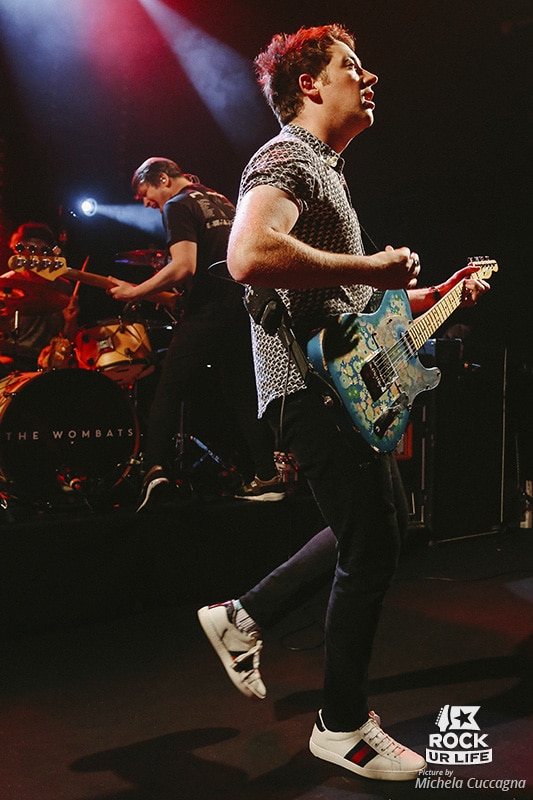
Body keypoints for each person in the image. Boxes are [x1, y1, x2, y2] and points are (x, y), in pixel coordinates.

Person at [197, 24, 490, 782]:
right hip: (309, 387)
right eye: (351, 66)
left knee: (379, 530)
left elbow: (350, 303)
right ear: (309, 85)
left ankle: (245, 616)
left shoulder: (325, 171)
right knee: (372, 543)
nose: (370, 77)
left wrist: (431, 295)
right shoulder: (287, 156)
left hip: (338, 384)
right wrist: (368, 265)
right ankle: (341, 725)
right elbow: (247, 256)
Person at [107, 158, 284, 509]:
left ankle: (154, 473)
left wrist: (135, 292)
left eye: (145, 193)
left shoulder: (177, 205)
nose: (146, 203)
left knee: (168, 388)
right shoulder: (220, 200)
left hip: (210, 310)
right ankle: (267, 477)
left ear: (162, 179)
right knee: (242, 393)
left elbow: (184, 265)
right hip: (245, 306)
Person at [0, 222, 78, 374]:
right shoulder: (5, 285)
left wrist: (70, 321)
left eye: (41, 250)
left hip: (49, 362)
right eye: (29, 249)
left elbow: (68, 339)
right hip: (12, 359)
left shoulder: (63, 287)